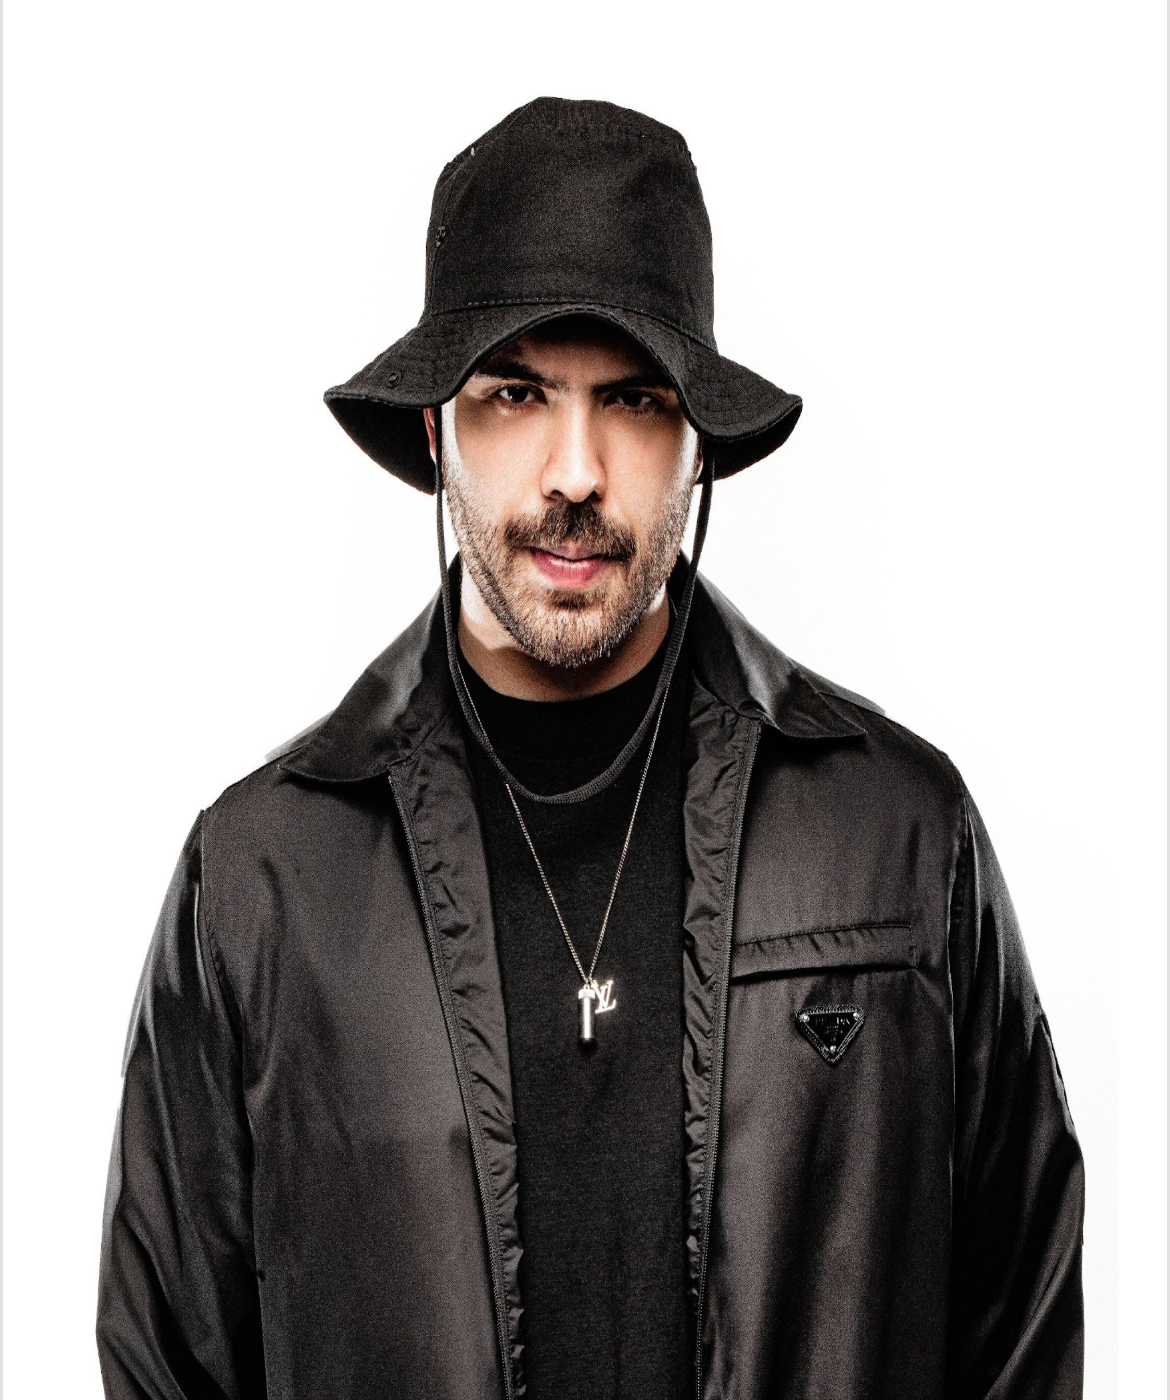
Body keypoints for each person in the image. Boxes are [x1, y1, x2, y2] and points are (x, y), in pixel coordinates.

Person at [96, 97, 1085, 1400]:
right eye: (517, 394)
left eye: (632, 399)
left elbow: (1022, 1330)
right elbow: (169, 1360)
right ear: (437, 430)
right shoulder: (263, 876)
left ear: (695, 444)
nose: (575, 471)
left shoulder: (895, 834)